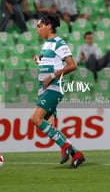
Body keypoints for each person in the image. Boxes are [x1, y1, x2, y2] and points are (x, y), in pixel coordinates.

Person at [31, 13, 85, 169]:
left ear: (49, 26)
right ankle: (77, 155)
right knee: (47, 123)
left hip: (54, 86)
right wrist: (39, 61)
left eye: (39, 26)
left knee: (36, 119)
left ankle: (65, 146)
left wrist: (52, 76)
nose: (37, 30)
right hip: (44, 87)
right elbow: (52, 62)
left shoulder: (59, 43)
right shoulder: (47, 44)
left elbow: (72, 65)